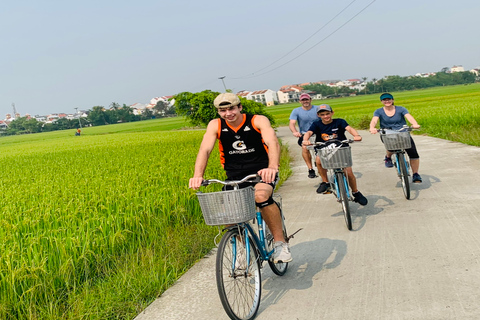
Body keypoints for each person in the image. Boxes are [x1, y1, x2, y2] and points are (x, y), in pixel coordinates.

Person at [189, 92, 292, 263]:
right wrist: (197, 176)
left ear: (240, 107)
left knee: (261, 197)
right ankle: (245, 248)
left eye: (231, 108)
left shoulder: (257, 120)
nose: (228, 113)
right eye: (223, 110)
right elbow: (204, 150)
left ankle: (281, 244)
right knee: (227, 215)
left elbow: (272, 142)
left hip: (262, 172)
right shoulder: (215, 125)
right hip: (234, 175)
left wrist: (272, 167)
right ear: (218, 112)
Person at [302, 104, 368, 205]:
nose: (325, 116)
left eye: (327, 113)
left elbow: (349, 128)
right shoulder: (316, 124)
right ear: (318, 115)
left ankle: (356, 192)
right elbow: (309, 132)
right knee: (318, 160)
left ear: (332, 113)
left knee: (349, 172)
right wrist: (305, 140)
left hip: (340, 149)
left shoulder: (339, 122)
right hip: (324, 149)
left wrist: (356, 135)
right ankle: (325, 182)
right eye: (322, 114)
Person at [369, 93, 422, 183]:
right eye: (384, 100)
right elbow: (374, 120)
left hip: (402, 132)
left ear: (393, 100)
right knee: (391, 148)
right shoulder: (378, 111)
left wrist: (415, 124)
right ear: (382, 101)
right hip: (387, 133)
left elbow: (409, 117)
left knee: (413, 153)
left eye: (389, 99)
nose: (387, 101)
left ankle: (416, 174)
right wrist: (372, 128)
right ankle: (388, 157)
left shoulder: (401, 109)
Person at [289, 93, 319, 178]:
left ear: (310, 100)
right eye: (303, 100)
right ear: (300, 101)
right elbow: (292, 123)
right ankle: (310, 169)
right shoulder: (296, 111)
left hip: (317, 133)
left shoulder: (317, 108)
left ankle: (320, 162)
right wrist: (294, 131)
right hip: (305, 134)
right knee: (305, 147)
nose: (305, 101)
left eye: (307, 99)